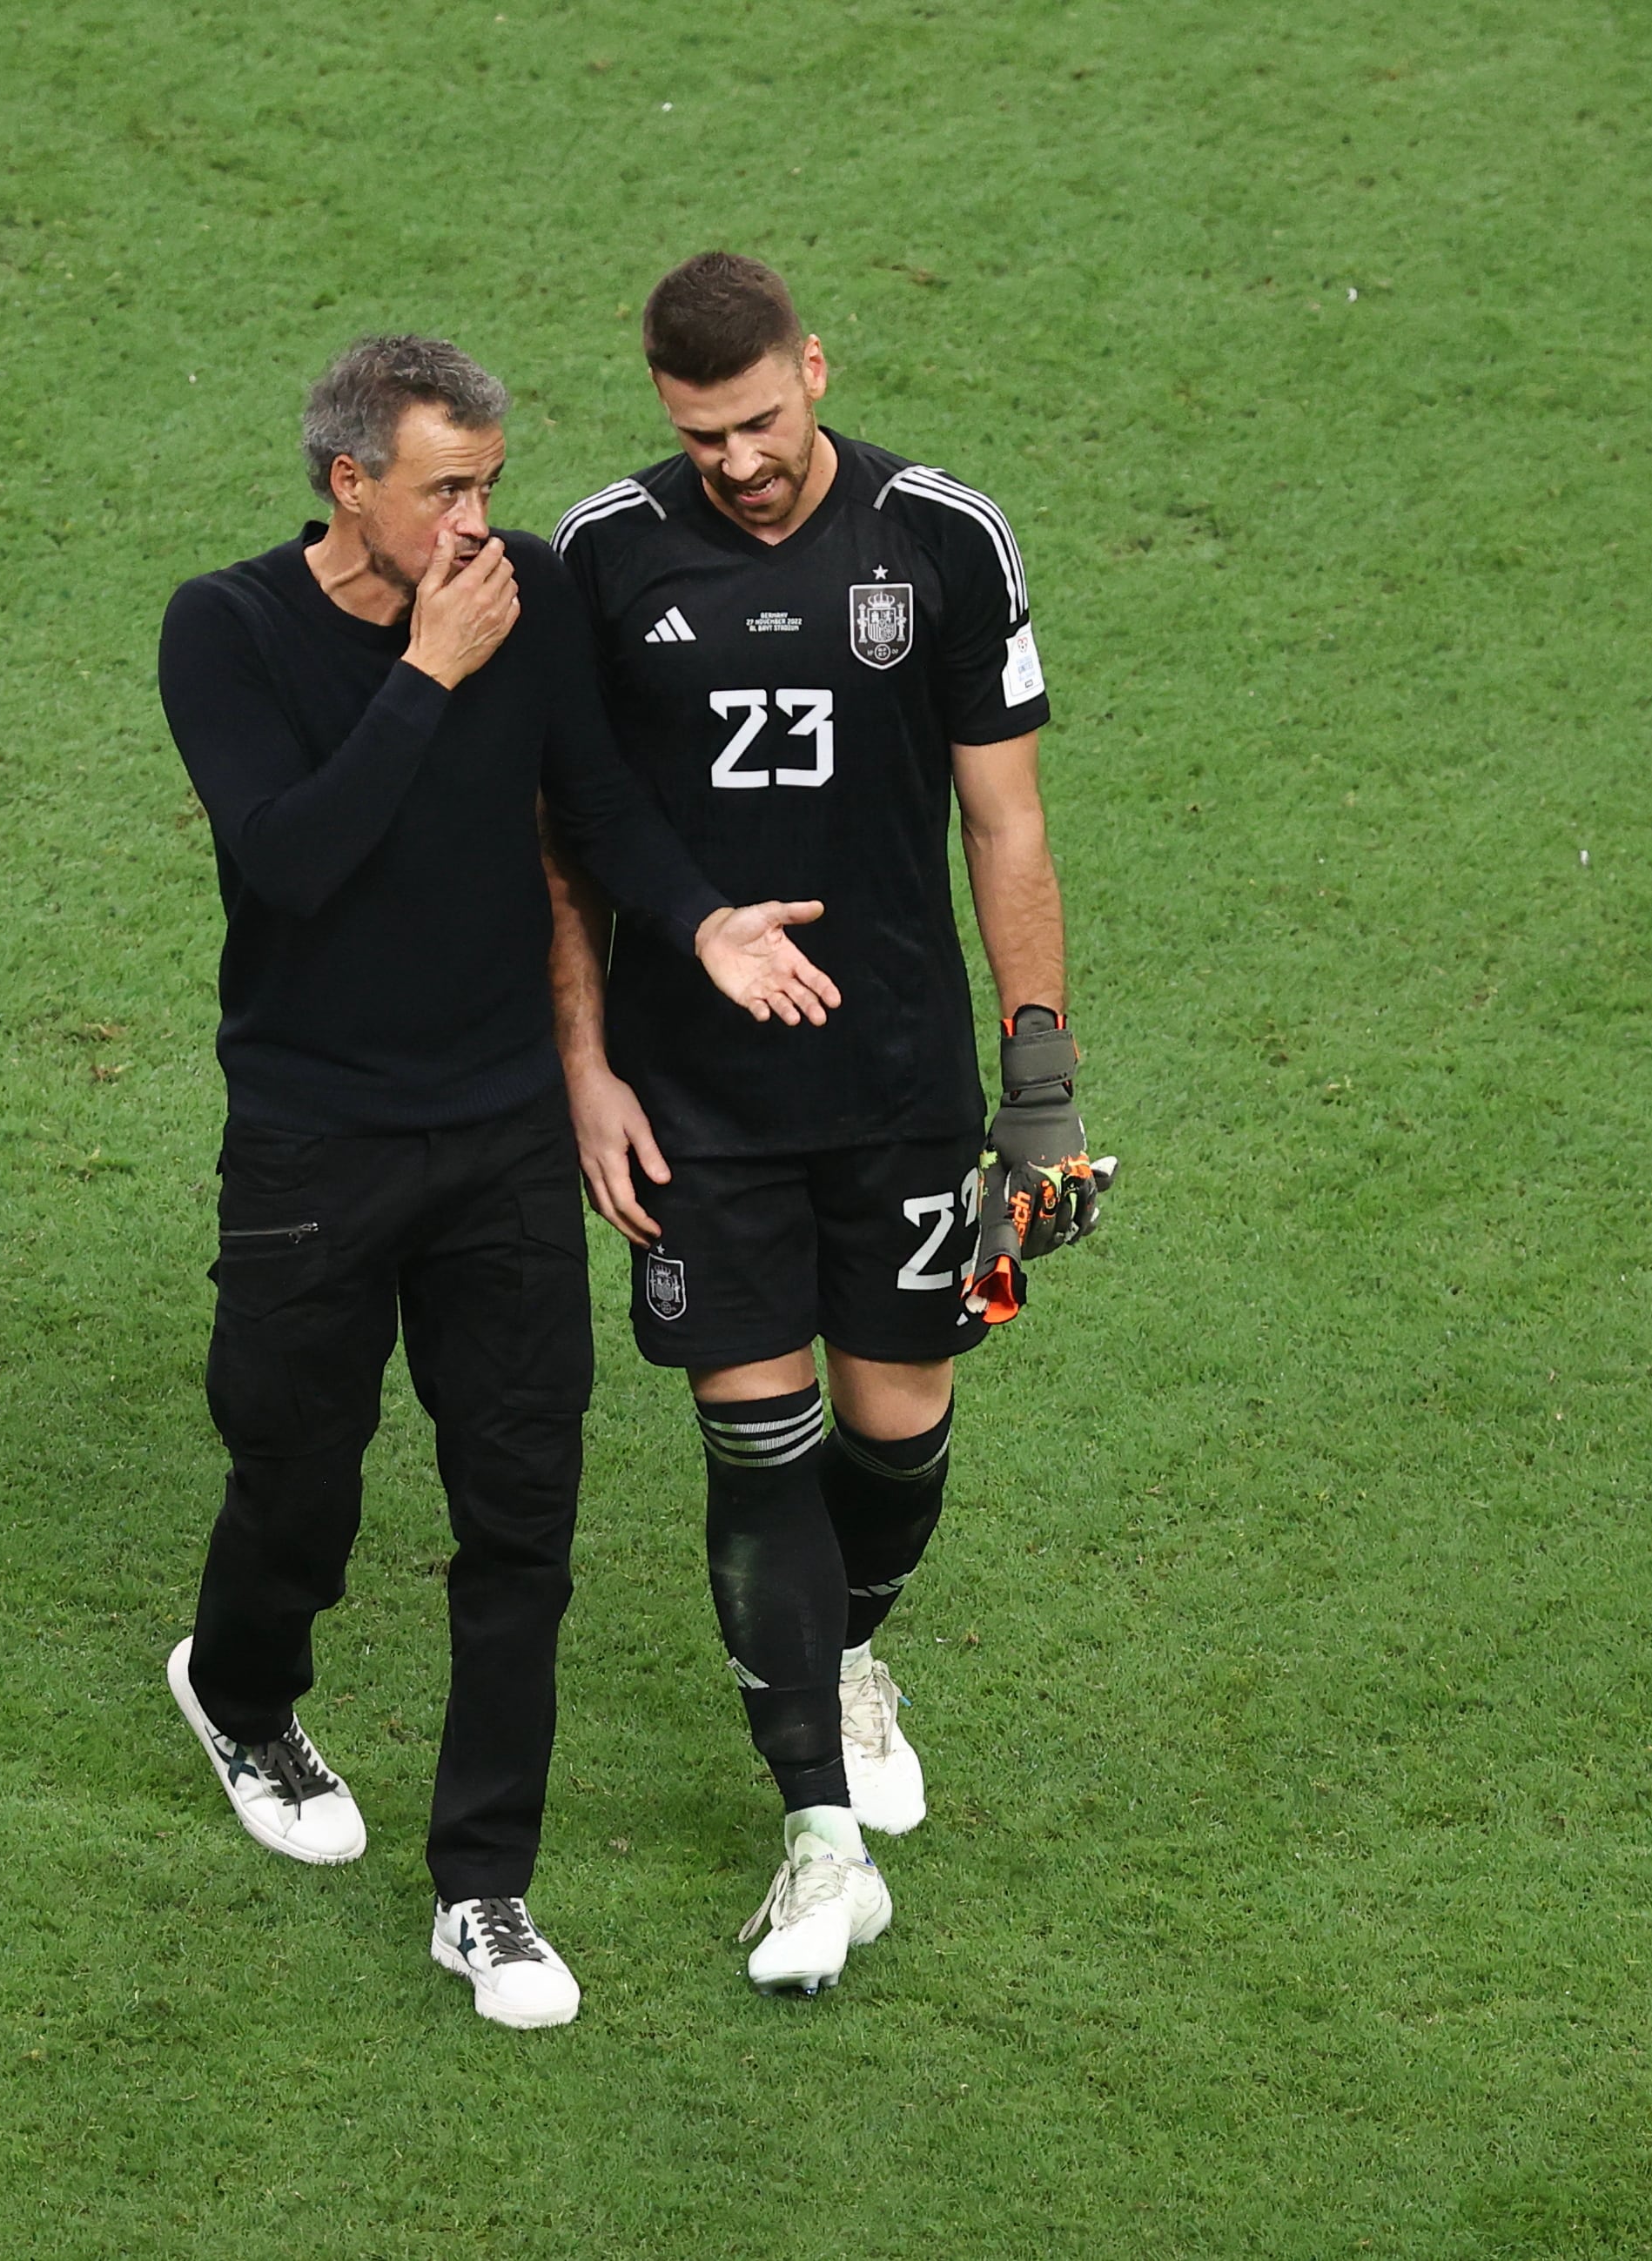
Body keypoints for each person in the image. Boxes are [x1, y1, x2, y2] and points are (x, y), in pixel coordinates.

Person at [155, 333, 841, 2032]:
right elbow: (291, 865)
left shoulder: (519, 592)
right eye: (441, 487)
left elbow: (596, 804)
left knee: (519, 1519)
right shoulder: (226, 632)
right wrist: (426, 678)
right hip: (313, 1138)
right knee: (296, 1483)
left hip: (500, 1140)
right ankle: (240, 1694)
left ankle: (486, 1891)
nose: (476, 519)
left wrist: (697, 920)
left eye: (487, 482)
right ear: (347, 485)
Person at [544, 254, 1105, 1996]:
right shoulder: (598, 556)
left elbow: (1002, 825)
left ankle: (842, 1655)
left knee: (897, 1433)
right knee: (755, 1448)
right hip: (691, 1104)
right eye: (701, 434)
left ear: (814, 370)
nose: (737, 462)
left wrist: (1041, 1092)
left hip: (895, 1092)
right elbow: (560, 844)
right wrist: (585, 1072)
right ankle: (817, 1842)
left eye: (763, 422)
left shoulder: (941, 539)